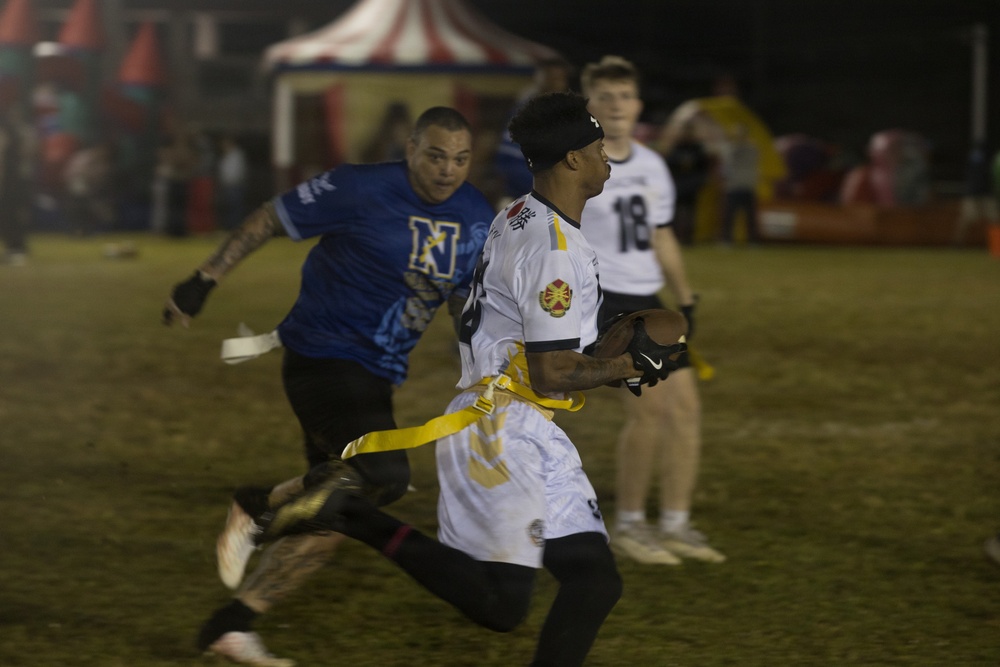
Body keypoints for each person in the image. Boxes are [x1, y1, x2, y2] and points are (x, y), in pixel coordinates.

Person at [216, 92, 684, 666]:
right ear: (570, 160)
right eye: (596, 149)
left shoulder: (518, 214)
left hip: (530, 421)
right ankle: (351, 514)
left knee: (594, 581)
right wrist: (628, 366)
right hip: (502, 431)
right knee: (500, 606)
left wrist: (604, 354)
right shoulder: (552, 248)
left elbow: (521, 330)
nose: (607, 159)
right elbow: (552, 369)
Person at [163, 106, 495, 666]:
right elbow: (270, 217)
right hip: (322, 359)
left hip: (376, 376)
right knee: (382, 474)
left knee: (337, 513)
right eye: (436, 155)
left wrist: (482, 348)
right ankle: (256, 505)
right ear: (410, 148)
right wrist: (203, 280)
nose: (447, 171)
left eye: (460, 159)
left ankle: (232, 625)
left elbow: (463, 293)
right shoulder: (358, 187)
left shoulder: (475, 213)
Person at [579, 56, 724, 565]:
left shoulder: (651, 164)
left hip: (649, 300)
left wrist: (685, 298)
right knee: (650, 409)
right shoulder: (574, 164)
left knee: (686, 410)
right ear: (590, 106)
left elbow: (662, 236)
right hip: (605, 300)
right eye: (606, 96)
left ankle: (677, 524)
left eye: (624, 96)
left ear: (638, 106)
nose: (616, 105)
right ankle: (630, 524)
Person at [493, 57, 573, 206]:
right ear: (539, 79)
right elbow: (507, 162)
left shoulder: (571, 116)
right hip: (520, 197)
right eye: (550, 78)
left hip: (560, 199)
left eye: (560, 79)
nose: (555, 84)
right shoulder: (522, 113)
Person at [664, 118, 710, 245]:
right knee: (675, 213)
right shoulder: (677, 147)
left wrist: (699, 182)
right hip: (678, 185)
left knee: (690, 213)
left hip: (691, 185)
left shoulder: (697, 148)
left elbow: (703, 167)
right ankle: (674, 238)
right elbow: (669, 165)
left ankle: (688, 239)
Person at [0, 105, 36, 265]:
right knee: (11, 214)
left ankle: (16, 247)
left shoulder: (19, 133)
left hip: (15, 181)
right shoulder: (11, 133)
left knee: (15, 213)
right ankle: (15, 246)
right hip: (12, 181)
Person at [719, 123, 760, 245]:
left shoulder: (751, 148)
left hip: (747, 185)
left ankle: (752, 240)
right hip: (734, 186)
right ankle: (727, 239)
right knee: (729, 215)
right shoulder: (731, 149)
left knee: (749, 216)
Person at [952, 141, 999, 246]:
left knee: (993, 220)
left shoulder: (976, 157)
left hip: (981, 193)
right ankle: (957, 243)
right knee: (968, 219)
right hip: (977, 193)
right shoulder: (986, 157)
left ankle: (996, 245)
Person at [216, 134, 248, 230]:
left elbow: (238, 172)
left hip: (235, 186)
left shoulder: (237, 155)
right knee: (227, 209)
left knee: (235, 209)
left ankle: (235, 228)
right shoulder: (225, 156)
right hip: (226, 186)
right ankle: (228, 228)